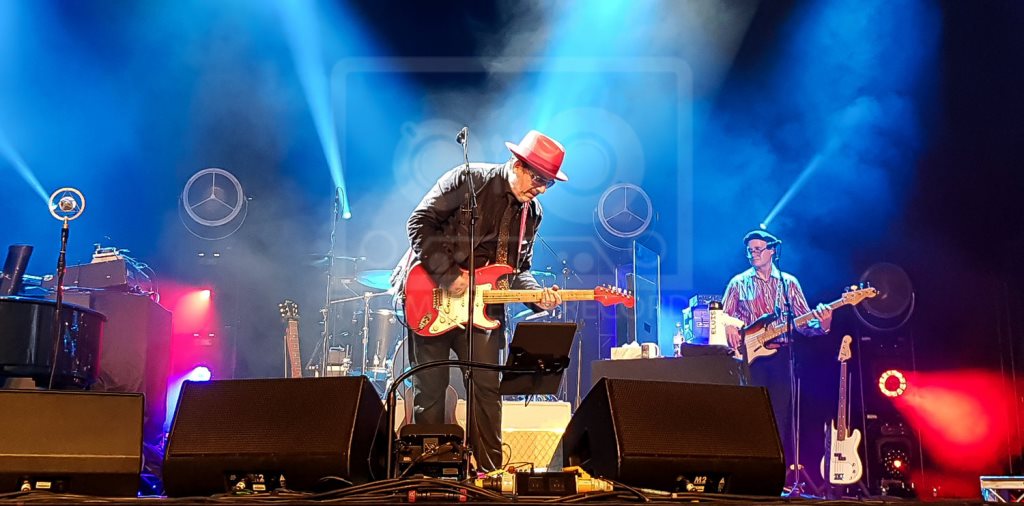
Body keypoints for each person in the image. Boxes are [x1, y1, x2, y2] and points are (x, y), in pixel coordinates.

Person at [392, 130, 566, 471]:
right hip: (431, 296)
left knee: (487, 391)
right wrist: (448, 274)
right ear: (518, 164)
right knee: (431, 389)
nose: (541, 188)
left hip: (483, 310)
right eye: (537, 178)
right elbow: (419, 223)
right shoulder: (469, 179)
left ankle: (490, 474)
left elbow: (517, 269)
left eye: (549, 183)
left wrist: (537, 298)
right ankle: (427, 474)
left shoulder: (533, 214)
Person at [722, 230, 832, 471]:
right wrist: (729, 325)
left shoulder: (788, 283)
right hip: (750, 358)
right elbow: (723, 316)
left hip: (781, 357)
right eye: (750, 250)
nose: (753, 254)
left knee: (779, 416)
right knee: (752, 414)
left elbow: (804, 325)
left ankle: (773, 473)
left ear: (772, 251)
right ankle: (747, 471)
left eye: (758, 249)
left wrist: (823, 323)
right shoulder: (738, 283)